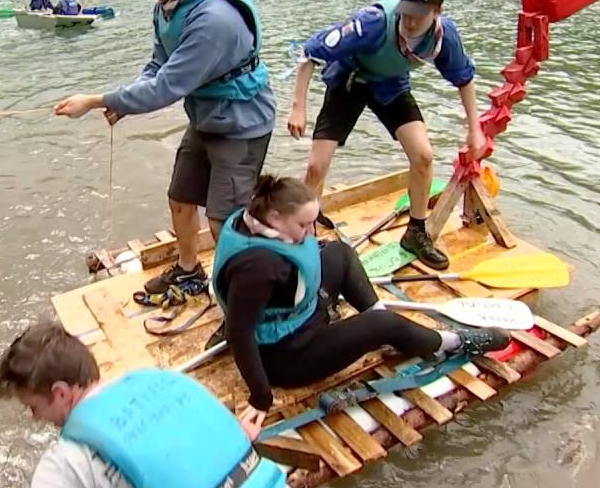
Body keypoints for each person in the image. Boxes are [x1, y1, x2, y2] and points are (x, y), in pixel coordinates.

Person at [53, 0, 275, 297]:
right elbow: (158, 66)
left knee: (225, 222)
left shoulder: (215, 18)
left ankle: (240, 300)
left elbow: (168, 87)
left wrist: (97, 101)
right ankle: (190, 272)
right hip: (207, 115)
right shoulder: (169, 4)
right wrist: (126, 100)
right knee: (180, 197)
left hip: (241, 122)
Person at [0, 320, 319, 488]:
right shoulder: (170, 382)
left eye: (32, 406)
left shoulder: (63, 465)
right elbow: (234, 439)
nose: (33, 418)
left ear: (61, 393)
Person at [211, 174, 511, 419]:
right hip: (286, 356)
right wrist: (261, 398)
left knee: (339, 252)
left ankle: (381, 323)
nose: (310, 231)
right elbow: (239, 333)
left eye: (311, 221)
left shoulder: (255, 217)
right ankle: (453, 343)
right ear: (275, 216)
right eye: (303, 225)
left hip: (301, 313)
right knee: (384, 324)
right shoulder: (258, 268)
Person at [287, 0, 485, 270]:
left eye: (419, 15)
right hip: (348, 82)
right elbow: (310, 52)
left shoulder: (444, 36)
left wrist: (475, 129)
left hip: (390, 85)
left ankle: (416, 233)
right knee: (316, 166)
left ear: (437, 11)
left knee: (423, 155)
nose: (410, 21)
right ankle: (304, 234)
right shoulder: (372, 22)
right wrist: (298, 106)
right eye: (406, 12)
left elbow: (464, 79)